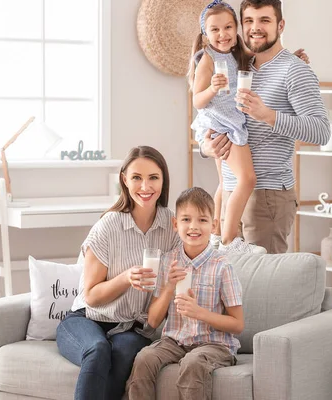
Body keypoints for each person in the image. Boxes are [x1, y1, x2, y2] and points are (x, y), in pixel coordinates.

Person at [200, 0, 330, 254]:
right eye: (249, 21)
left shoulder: (295, 71)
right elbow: (212, 116)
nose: (255, 28)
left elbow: (321, 131)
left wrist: (269, 115)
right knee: (230, 289)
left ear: (280, 25)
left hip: (266, 197)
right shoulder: (236, 65)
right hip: (229, 194)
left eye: (265, 20)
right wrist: (207, 147)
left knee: (262, 290)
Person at [56, 146, 180, 400]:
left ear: (163, 180)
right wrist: (126, 278)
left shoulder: (171, 227)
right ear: (124, 179)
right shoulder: (108, 226)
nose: (145, 186)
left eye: (153, 178)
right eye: (136, 177)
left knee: (124, 353)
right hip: (87, 319)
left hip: (133, 329)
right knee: (98, 349)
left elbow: (157, 315)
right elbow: (90, 296)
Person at [125, 187, 244, 400]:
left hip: (215, 344)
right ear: (175, 224)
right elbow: (152, 321)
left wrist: (200, 313)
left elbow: (237, 324)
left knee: (193, 363)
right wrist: (169, 286)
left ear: (214, 225)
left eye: (202, 220)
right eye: (186, 219)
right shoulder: (168, 262)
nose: (194, 227)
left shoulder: (222, 267)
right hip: (175, 341)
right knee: (144, 358)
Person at [189, 0, 263, 254]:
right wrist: (212, 87)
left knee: (225, 182)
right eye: (215, 30)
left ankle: (217, 235)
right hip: (221, 124)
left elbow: (261, 57)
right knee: (247, 178)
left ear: (236, 28)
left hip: (230, 119)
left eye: (228, 27)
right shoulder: (207, 59)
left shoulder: (237, 50)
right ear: (205, 34)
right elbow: (197, 100)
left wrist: (292, 58)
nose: (223, 34)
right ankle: (232, 240)